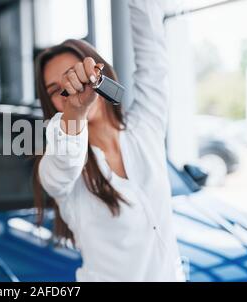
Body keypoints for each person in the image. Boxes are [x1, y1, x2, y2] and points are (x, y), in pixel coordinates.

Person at [33, 0, 186, 282]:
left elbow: (153, 57)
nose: (72, 87)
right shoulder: (58, 167)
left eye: (76, 74)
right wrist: (75, 112)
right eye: (58, 90)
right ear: (51, 104)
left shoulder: (145, 129)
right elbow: (63, 161)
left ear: (99, 74)